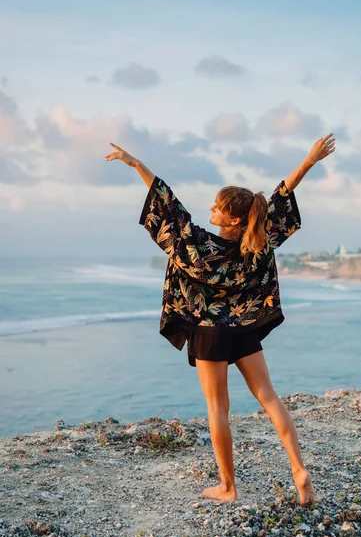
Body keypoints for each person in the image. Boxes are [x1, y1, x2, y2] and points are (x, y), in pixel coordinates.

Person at [105, 133, 335, 505]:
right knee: (270, 397)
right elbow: (277, 199)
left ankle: (228, 487)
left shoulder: (197, 244)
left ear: (235, 217)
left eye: (217, 207)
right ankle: (298, 469)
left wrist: (136, 165)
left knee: (218, 409)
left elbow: (167, 204)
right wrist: (309, 161)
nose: (210, 210)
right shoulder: (259, 242)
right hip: (244, 330)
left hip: (209, 334)